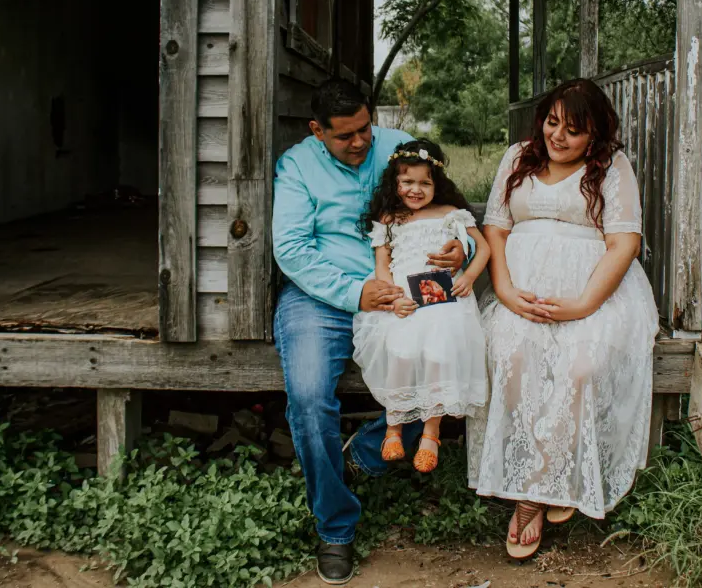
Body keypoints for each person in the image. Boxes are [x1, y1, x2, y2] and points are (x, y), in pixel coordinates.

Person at [272, 79, 473, 585]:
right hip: (323, 295)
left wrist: (461, 251)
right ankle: (336, 526)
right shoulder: (297, 167)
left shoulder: (397, 146)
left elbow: (450, 208)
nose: (361, 142)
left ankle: (361, 455)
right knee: (310, 396)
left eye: (365, 128)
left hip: (408, 289)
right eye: (345, 136)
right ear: (317, 130)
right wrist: (356, 292)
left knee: (455, 360)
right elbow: (292, 250)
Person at [467, 78, 659, 560]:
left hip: (593, 291)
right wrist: (506, 290)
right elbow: (495, 226)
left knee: (580, 366)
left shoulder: (613, 167)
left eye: (573, 130)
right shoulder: (517, 157)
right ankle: (545, 481)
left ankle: (531, 494)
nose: (558, 136)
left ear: (594, 134)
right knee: (509, 353)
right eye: (552, 122)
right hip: (520, 289)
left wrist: (583, 305)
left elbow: (624, 243)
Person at [353, 140, 490, 474]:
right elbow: (382, 264)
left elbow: (483, 248)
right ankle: (394, 426)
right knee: (400, 349)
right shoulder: (389, 219)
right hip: (405, 298)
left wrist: (470, 276)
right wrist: (391, 297)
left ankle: (431, 433)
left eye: (424, 182)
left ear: (437, 183)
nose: (416, 190)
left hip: (444, 301)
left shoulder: (451, 214)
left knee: (440, 350)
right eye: (407, 182)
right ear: (395, 183)